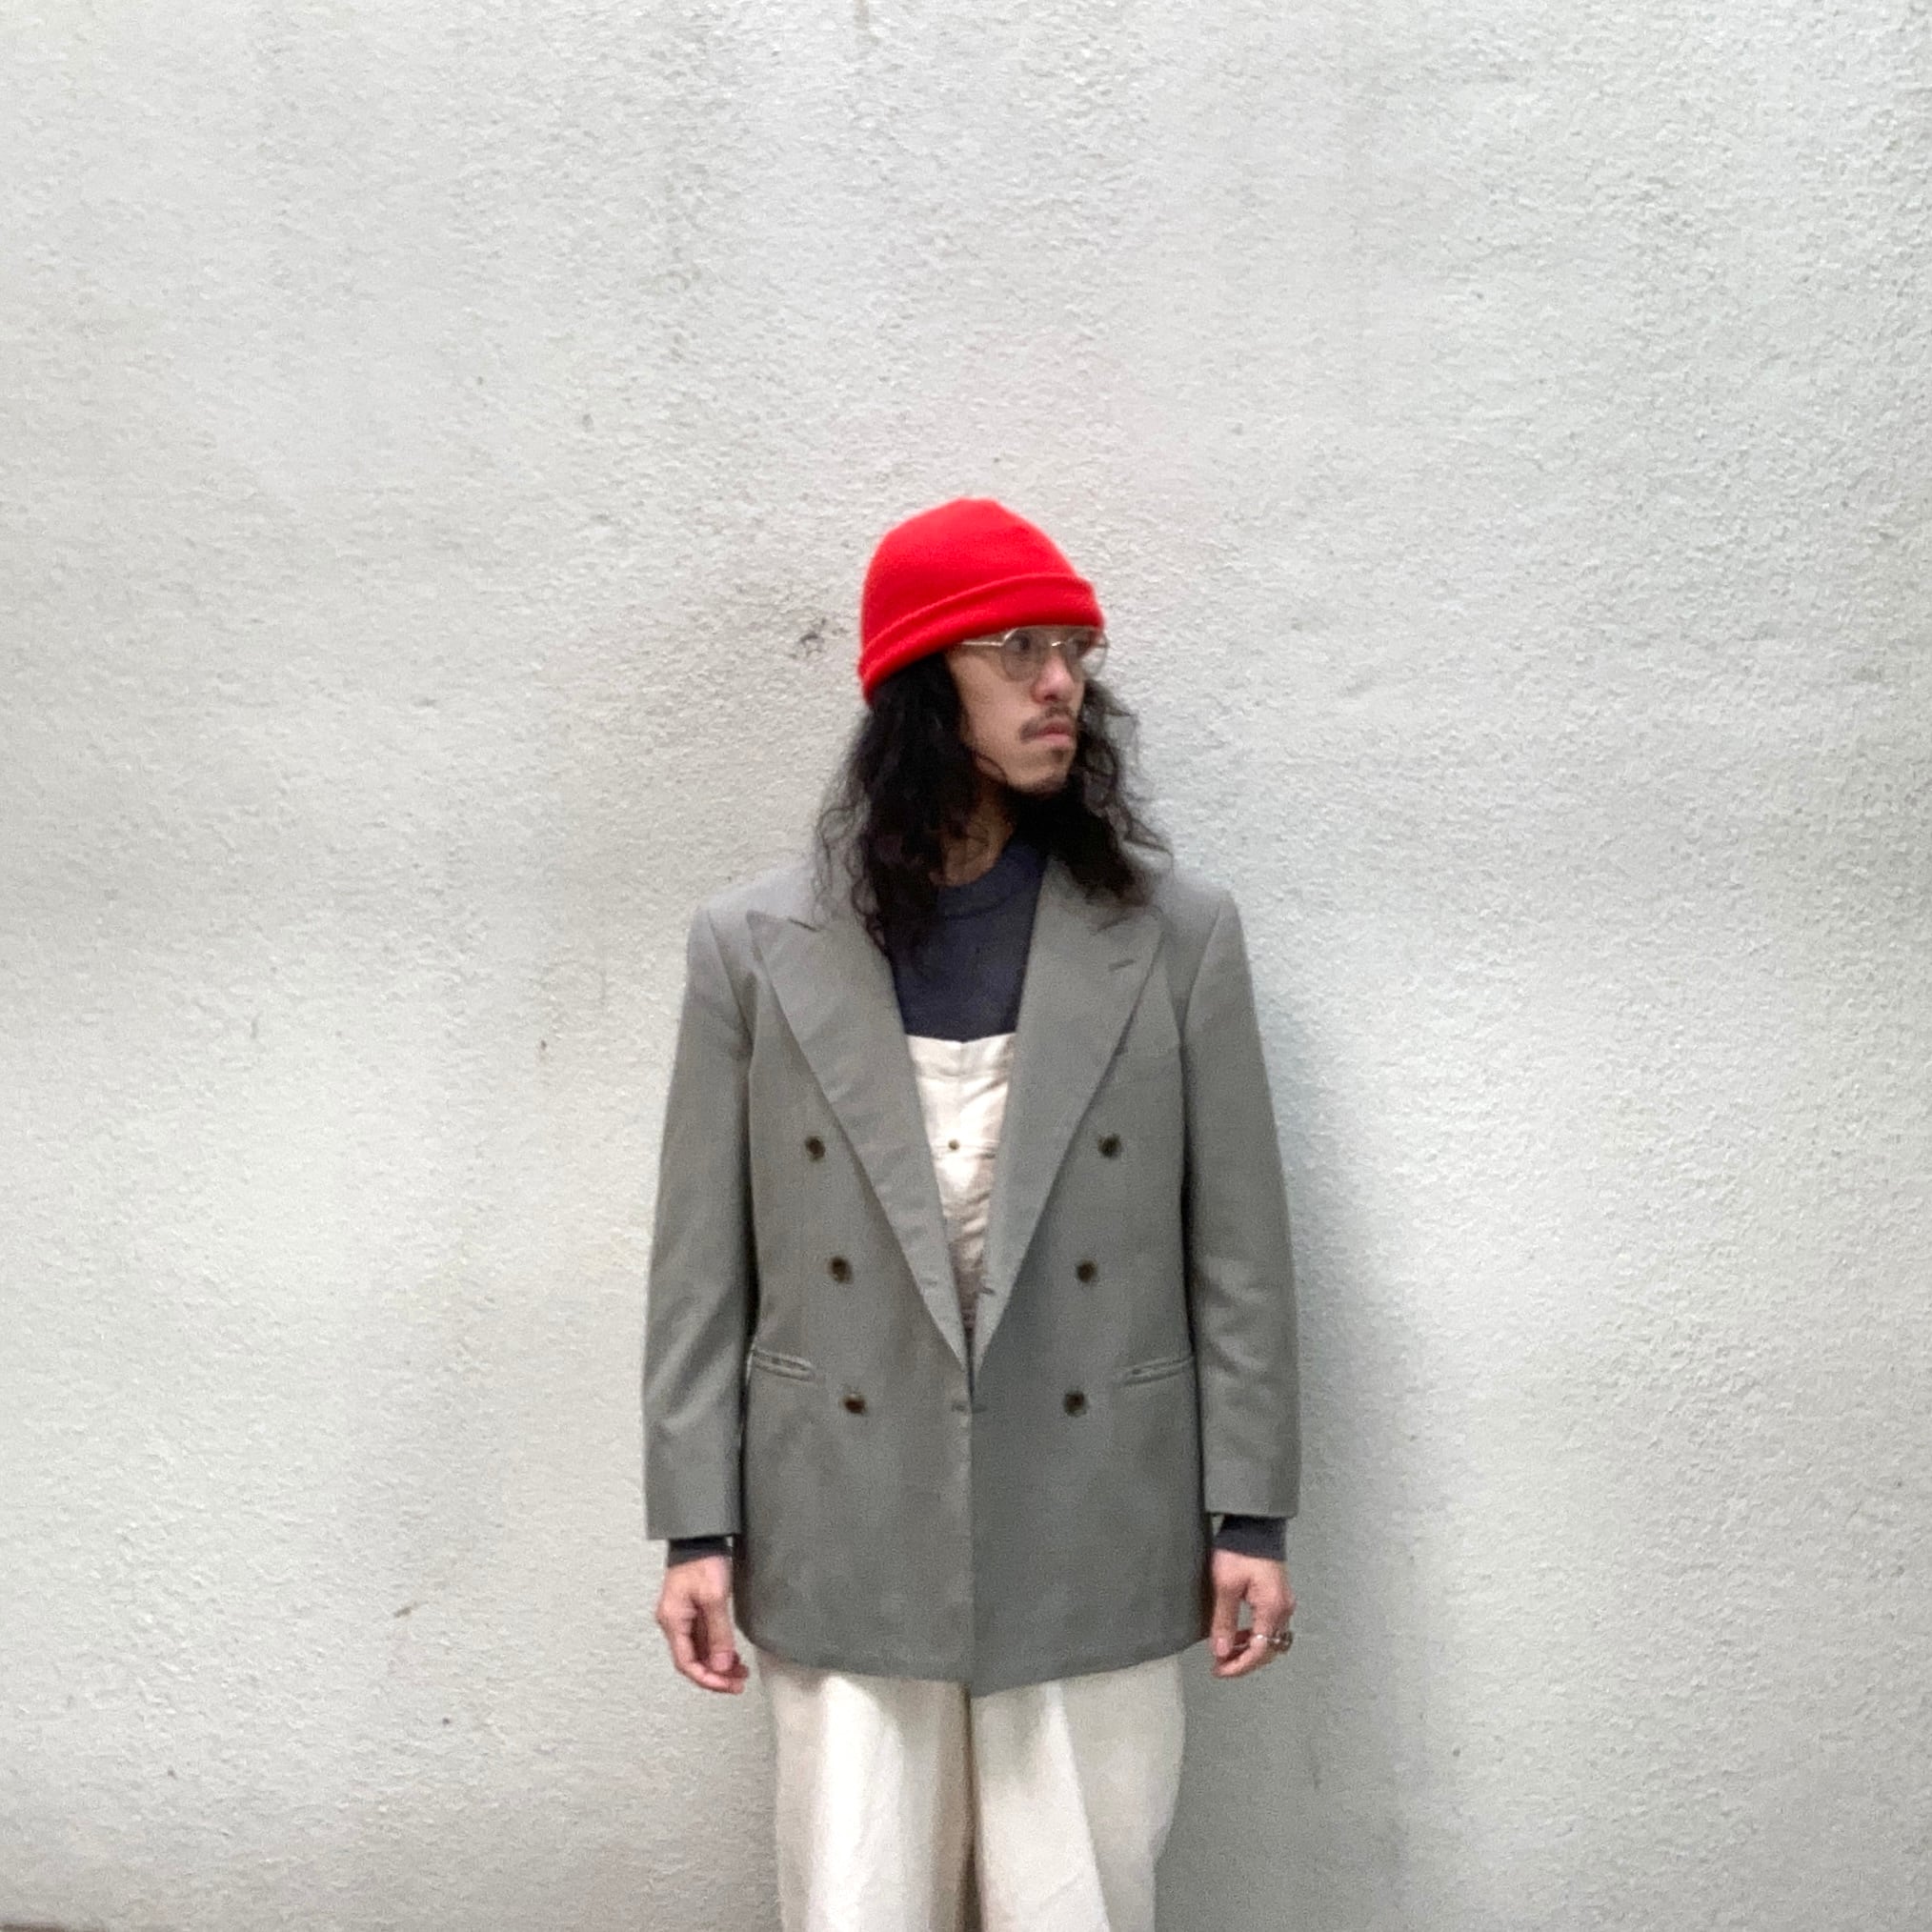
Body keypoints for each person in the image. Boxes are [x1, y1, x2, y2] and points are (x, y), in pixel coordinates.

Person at [641, 496, 1300, 1931]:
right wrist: (695, 1528)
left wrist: (1250, 1512)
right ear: (918, 686)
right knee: (855, 1899)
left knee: (1079, 1900)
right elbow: (701, 1267)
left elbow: (1240, 1257)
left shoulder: (1178, 936)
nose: (1061, 683)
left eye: (1074, 651)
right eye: (1017, 651)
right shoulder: (751, 947)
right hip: (840, 1508)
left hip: (1095, 1503)